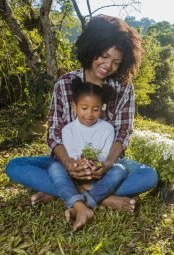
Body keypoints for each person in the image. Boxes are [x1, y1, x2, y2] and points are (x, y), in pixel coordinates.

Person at [6, 15, 158, 231]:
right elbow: (54, 132)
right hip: (67, 162)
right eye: (104, 56)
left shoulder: (124, 88)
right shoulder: (65, 83)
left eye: (116, 62)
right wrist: (69, 164)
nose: (108, 66)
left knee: (148, 176)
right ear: (91, 48)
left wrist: (105, 166)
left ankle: (69, 193)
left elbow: (124, 132)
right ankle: (103, 198)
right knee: (15, 167)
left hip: (107, 164)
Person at [48, 77, 127, 230]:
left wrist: (98, 166)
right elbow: (71, 156)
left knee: (120, 170)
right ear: (74, 106)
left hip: (98, 173)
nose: (89, 114)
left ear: (102, 108)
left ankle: (81, 204)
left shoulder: (107, 129)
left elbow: (104, 156)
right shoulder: (68, 130)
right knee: (54, 168)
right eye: (84, 108)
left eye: (95, 109)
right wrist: (79, 165)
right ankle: (89, 198)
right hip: (75, 173)